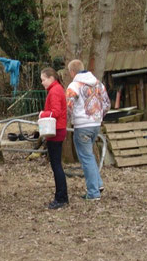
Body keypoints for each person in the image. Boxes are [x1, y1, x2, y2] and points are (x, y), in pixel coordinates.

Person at [66, 59, 110, 200]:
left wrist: (66, 121)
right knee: (89, 156)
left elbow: (69, 106)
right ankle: (98, 184)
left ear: (72, 72)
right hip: (95, 124)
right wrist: (98, 116)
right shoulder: (98, 84)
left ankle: (93, 193)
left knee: (85, 158)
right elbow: (107, 104)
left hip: (82, 126)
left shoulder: (74, 86)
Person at [39, 67, 68, 209]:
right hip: (57, 130)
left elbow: (56, 112)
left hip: (56, 131)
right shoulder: (56, 89)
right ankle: (61, 196)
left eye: (43, 80)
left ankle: (61, 197)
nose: (42, 83)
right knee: (56, 165)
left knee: (56, 166)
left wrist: (42, 114)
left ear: (51, 78)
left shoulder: (55, 91)